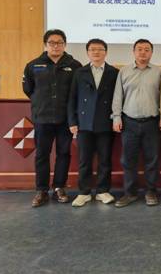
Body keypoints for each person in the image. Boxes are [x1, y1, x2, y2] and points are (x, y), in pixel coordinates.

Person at [22, 29, 82, 207]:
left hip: (65, 119)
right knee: (42, 155)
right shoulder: (33, 65)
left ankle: (59, 188)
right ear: (45, 44)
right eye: (52, 43)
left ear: (65, 44)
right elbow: (28, 89)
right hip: (42, 118)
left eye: (60, 42)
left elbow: (77, 92)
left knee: (63, 153)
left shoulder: (75, 65)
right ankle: (41, 190)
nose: (56, 46)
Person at [112, 39, 161, 208]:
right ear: (134, 52)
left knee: (152, 159)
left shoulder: (159, 72)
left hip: (152, 122)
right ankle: (130, 193)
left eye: (147, 49)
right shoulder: (124, 71)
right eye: (139, 49)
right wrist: (116, 117)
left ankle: (151, 192)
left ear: (151, 53)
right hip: (129, 122)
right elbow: (118, 96)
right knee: (128, 160)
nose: (143, 52)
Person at [68, 39, 119, 207]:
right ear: (87, 52)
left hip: (106, 122)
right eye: (92, 49)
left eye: (100, 49)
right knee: (84, 160)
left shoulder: (114, 72)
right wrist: (72, 121)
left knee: (105, 160)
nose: (96, 52)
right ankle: (84, 192)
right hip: (84, 124)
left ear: (106, 52)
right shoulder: (79, 72)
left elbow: (118, 98)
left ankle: (103, 191)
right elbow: (72, 98)